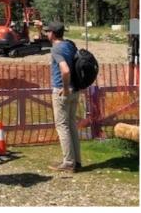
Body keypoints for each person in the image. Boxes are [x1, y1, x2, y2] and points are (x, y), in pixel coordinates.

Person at [45, 22, 82, 172]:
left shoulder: (56, 49)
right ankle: (77, 161)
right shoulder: (70, 45)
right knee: (72, 125)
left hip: (62, 91)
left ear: (52, 34)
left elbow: (65, 70)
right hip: (75, 90)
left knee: (62, 126)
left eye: (48, 31)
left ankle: (68, 162)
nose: (46, 34)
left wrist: (65, 89)